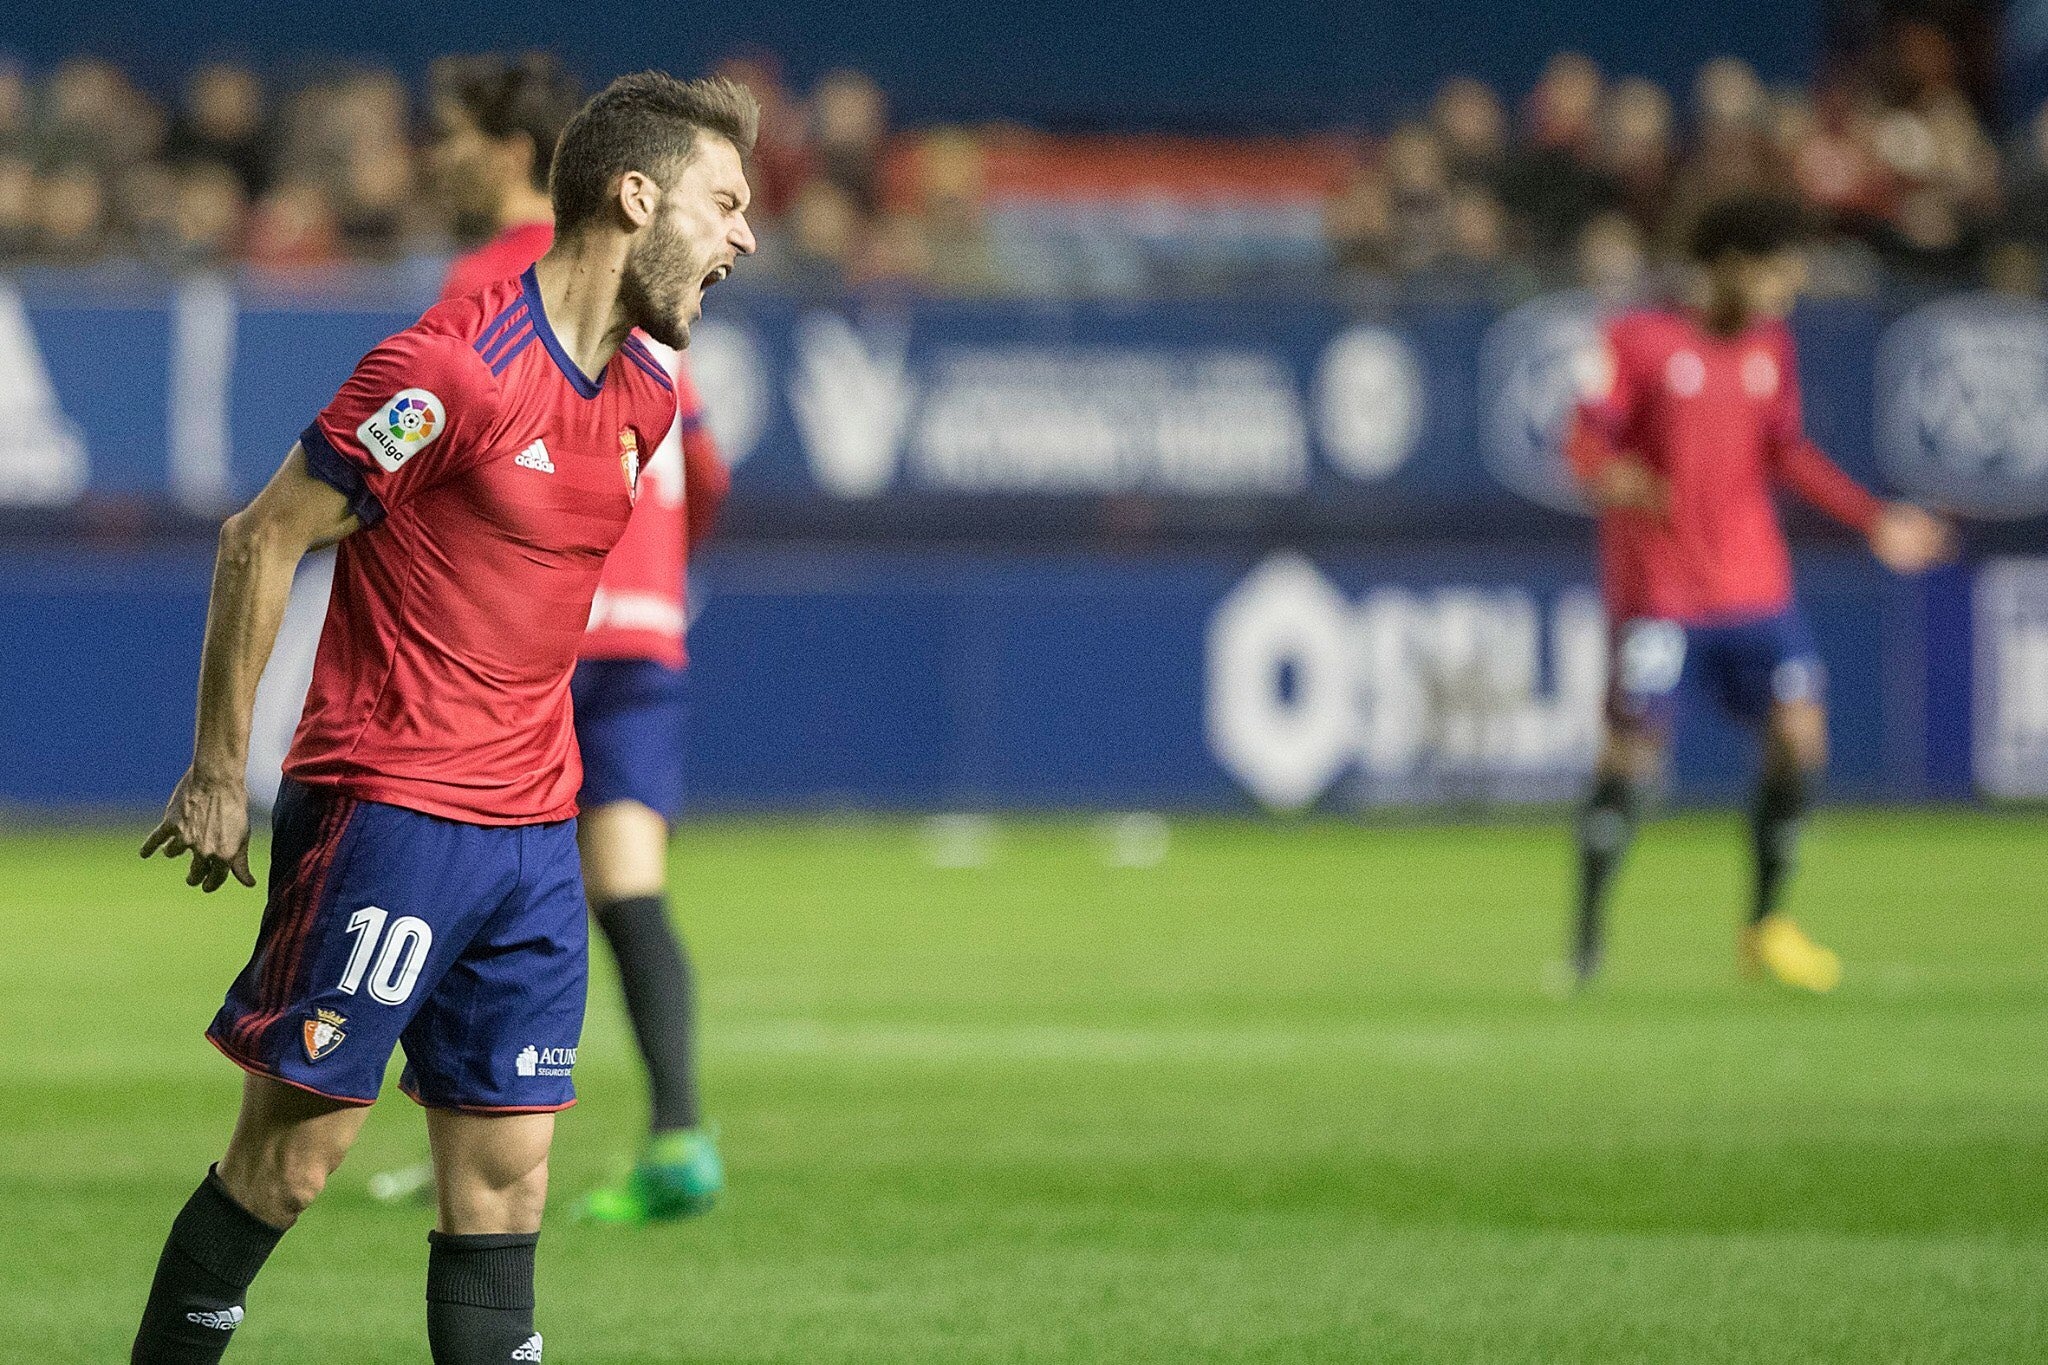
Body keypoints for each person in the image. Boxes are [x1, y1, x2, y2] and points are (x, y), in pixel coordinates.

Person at [129, 72, 757, 1363]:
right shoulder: (455, 372)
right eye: (726, 203)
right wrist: (215, 768)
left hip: (534, 841)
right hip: (391, 814)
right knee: (290, 1164)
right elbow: (262, 539)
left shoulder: (644, 399)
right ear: (635, 199)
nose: (747, 236)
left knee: (506, 1189)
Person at [368, 52, 732, 1225]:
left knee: (469, 871)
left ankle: (455, 1140)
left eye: (453, 133)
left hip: (526, 640)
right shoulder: (651, 282)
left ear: (512, 151)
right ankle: (679, 1131)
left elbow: (419, 461)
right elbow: (704, 465)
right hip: (645, 633)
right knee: (626, 886)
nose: (439, 155)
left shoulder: (491, 283)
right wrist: (659, 571)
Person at [1564, 193, 1951, 993]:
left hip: (1753, 586)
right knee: (1634, 756)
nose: (1789, 291)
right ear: (1733, 265)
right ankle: (1586, 944)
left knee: (1800, 736)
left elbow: (1787, 452)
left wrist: (1872, 520)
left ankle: (1765, 929)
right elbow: (1582, 438)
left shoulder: (1770, 347)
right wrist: (1615, 475)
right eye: (1779, 274)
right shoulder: (1635, 339)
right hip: (1663, 592)